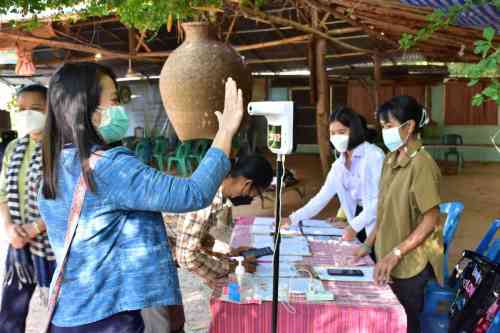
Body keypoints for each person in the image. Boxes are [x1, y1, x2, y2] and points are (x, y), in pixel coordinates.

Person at [37, 62, 244, 332]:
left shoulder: (55, 165)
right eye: (114, 100)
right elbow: (193, 194)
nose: (121, 108)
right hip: (110, 317)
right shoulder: (109, 167)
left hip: (70, 312)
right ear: (87, 108)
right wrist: (225, 132)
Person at [142, 154, 273, 333]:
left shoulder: (212, 190)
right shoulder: (205, 200)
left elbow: (198, 238)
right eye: (255, 194)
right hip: (146, 260)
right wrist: (229, 267)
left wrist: (230, 251)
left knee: (174, 320)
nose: (251, 198)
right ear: (247, 185)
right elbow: (187, 256)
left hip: (160, 254)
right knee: (160, 325)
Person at [359, 95, 444, 333]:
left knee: (405, 323)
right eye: (383, 127)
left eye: (389, 126)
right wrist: (368, 244)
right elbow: (384, 209)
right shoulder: (390, 159)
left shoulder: (422, 165)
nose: (384, 132)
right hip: (387, 258)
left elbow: (431, 218)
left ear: (409, 126)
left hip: (410, 265)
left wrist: (397, 253)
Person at [285, 106, 385, 249]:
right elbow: (321, 198)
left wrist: (354, 226)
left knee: (377, 258)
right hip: (358, 217)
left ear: (354, 131)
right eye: (333, 133)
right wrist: (292, 219)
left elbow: (380, 201)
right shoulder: (339, 165)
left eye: (342, 132)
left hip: (378, 221)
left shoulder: (374, 156)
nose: (337, 137)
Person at [0, 85, 56, 333]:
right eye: (21, 109)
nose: (26, 114)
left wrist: (35, 227)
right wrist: (9, 227)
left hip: (53, 246)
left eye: (34, 109)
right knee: (10, 313)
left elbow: (69, 201)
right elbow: (2, 192)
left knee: (61, 312)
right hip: (19, 245)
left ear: (50, 109)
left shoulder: (61, 148)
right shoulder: (14, 148)